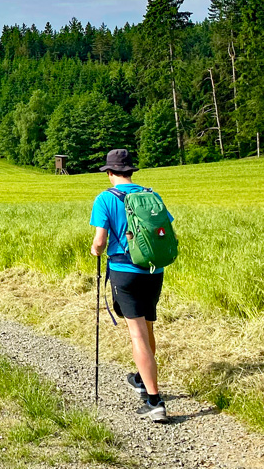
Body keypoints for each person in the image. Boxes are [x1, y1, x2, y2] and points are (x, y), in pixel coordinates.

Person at [89, 148, 170, 422]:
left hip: (125, 271)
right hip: (153, 268)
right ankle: (140, 378)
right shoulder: (151, 195)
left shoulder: (105, 199)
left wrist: (95, 251)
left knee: (137, 335)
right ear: (131, 171)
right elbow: (164, 227)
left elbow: (100, 242)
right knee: (147, 328)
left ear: (110, 173)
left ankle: (155, 401)